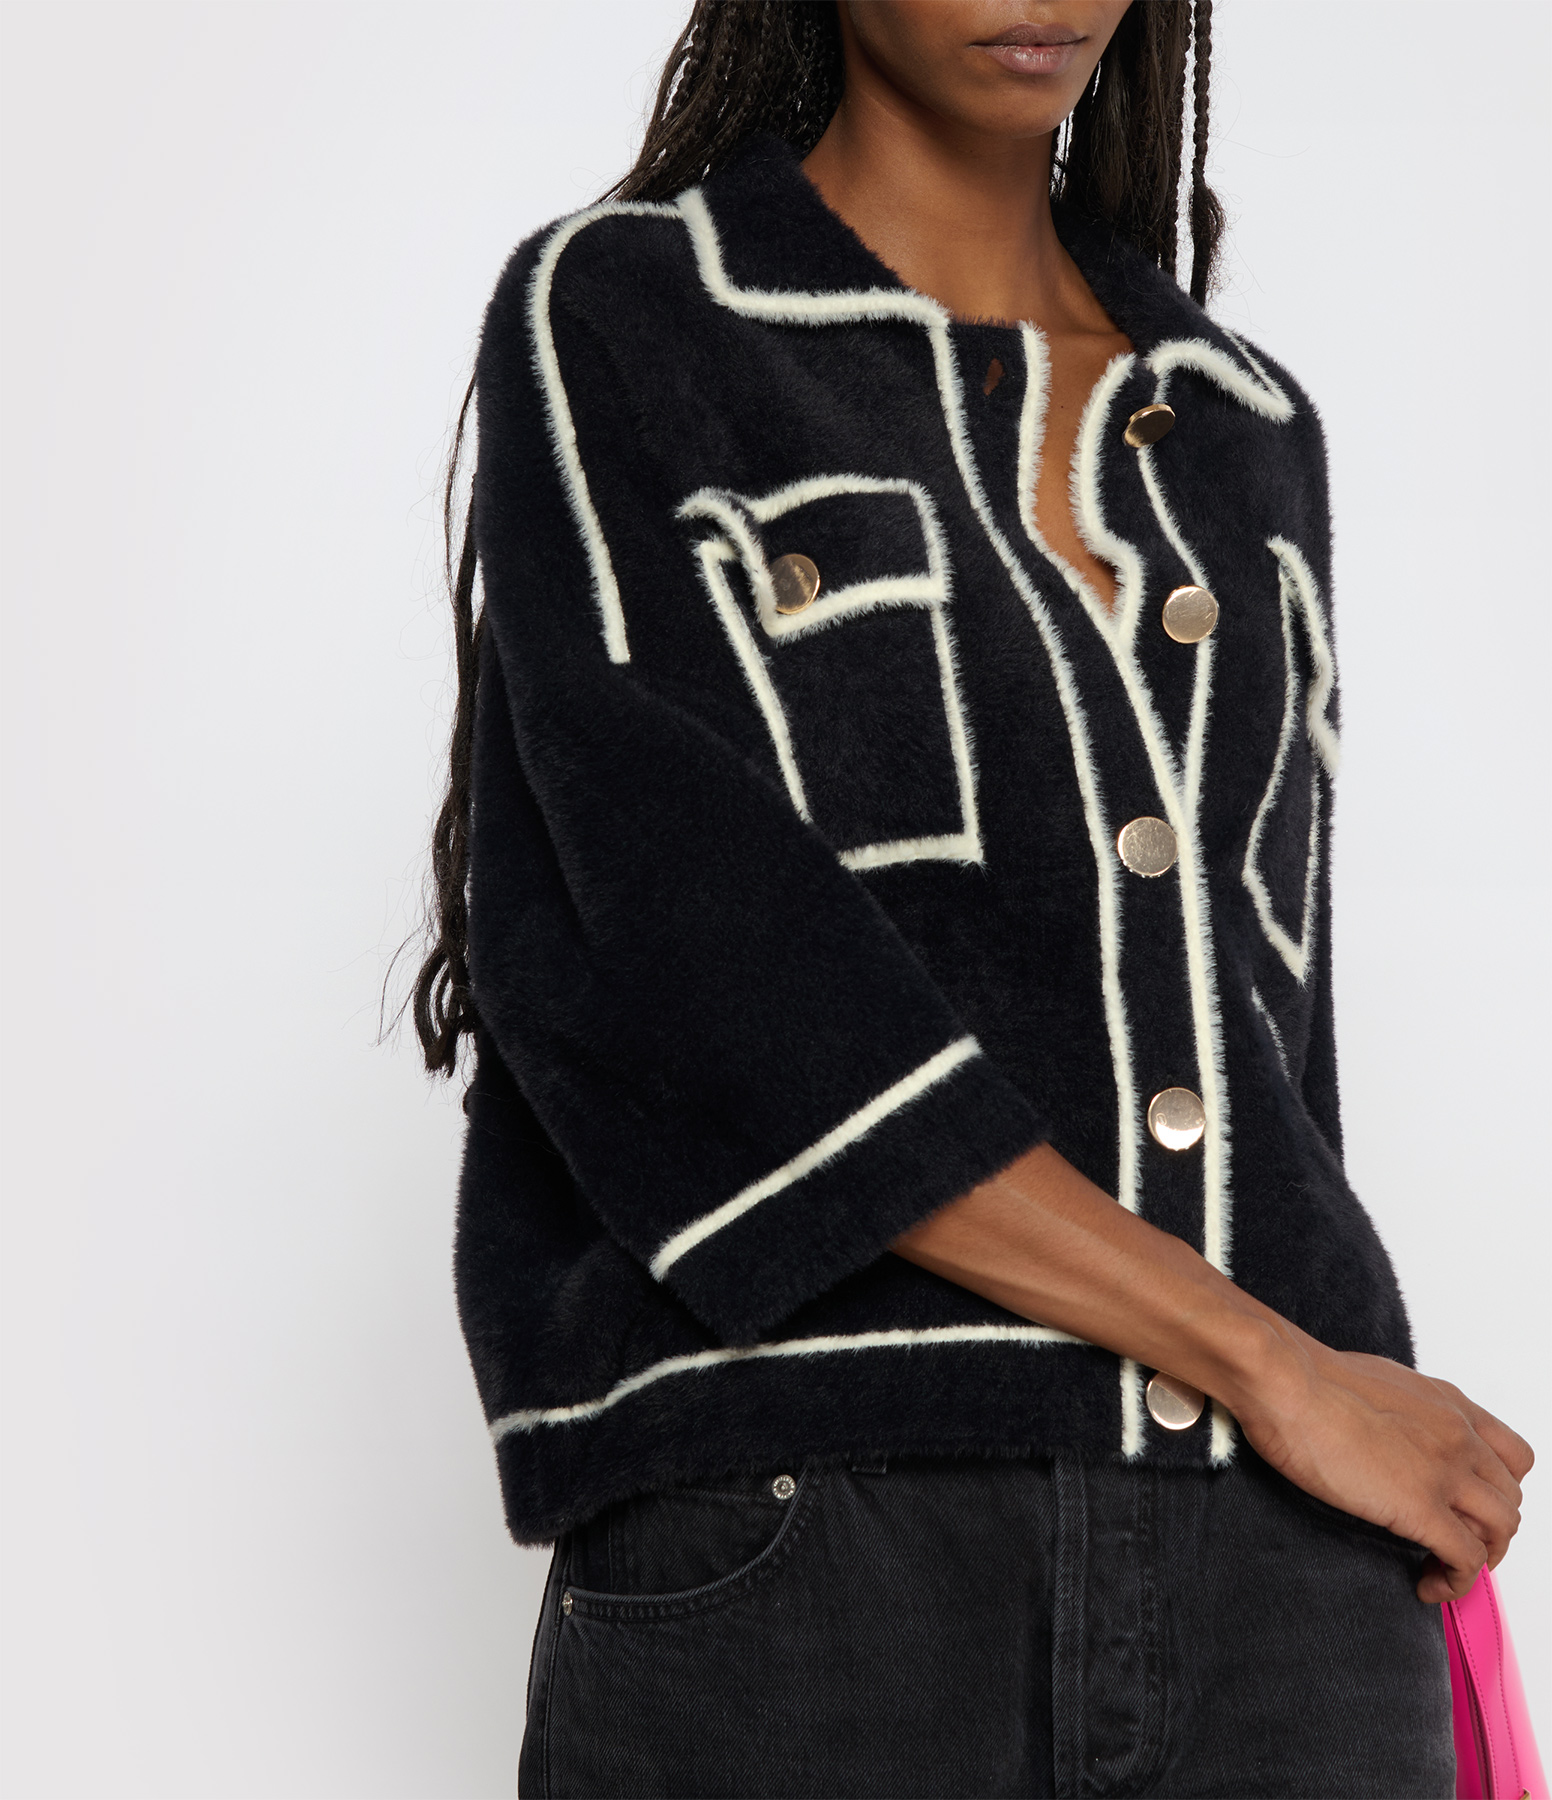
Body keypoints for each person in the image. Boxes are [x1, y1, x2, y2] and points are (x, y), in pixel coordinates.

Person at [413, 3, 1535, 1794]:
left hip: (1291, 1578)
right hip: (816, 1534)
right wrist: (1269, 1362)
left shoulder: (1243, 428)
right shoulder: (637, 316)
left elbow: (1269, 1039)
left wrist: (1326, 1393)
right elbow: (681, 963)